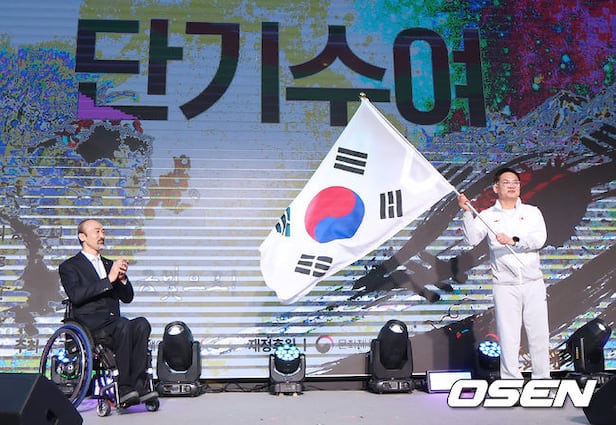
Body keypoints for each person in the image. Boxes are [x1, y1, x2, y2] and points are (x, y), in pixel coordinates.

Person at [457, 167, 551, 380]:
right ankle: (511, 381)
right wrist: (466, 212)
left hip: (533, 282)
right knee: (508, 336)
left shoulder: (532, 212)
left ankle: (542, 379)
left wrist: (513, 241)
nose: (512, 186)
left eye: (515, 182)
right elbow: (471, 239)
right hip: (505, 286)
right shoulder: (488, 216)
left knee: (539, 333)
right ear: (496, 187)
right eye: (506, 182)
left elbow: (539, 239)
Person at [59, 219, 158, 406]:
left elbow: (127, 297)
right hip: (90, 325)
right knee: (122, 325)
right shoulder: (70, 266)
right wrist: (109, 279)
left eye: (103, 231)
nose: (102, 235)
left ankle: (139, 384)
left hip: (113, 322)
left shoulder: (108, 264)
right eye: (96, 231)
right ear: (82, 237)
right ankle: (124, 387)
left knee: (141, 324)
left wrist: (121, 279)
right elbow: (77, 296)